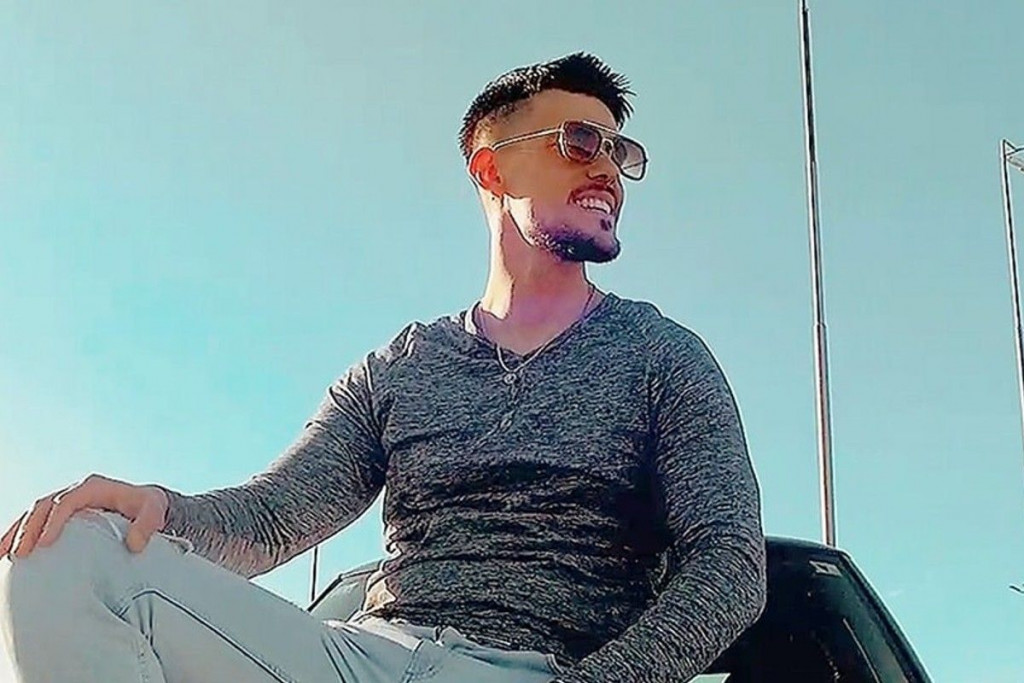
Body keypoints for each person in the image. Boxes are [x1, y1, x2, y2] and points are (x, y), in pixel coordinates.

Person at [0, 52, 766, 682]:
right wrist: (156, 507)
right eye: (581, 142)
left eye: (619, 153)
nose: (608, 171)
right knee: (66, 552)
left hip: (540, 669)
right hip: (361, 657)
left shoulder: (662, 356)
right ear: (492, 169)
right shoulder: (400, 367)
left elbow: (729, 561)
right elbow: (274, 517)